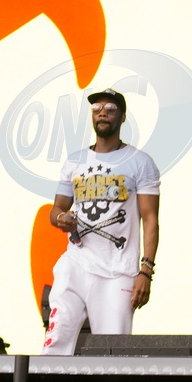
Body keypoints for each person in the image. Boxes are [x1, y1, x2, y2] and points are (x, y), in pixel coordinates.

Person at [42, 88, 160, 355]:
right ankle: (48, 381)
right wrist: (62, 218)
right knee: (56, 338)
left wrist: (146, 271)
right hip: (76, 262)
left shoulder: (140, 162)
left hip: (117, 270)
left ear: (123, 116)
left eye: (110, 109)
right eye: (97, 109)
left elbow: (150, 219)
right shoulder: (75, 161)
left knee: (112, 351)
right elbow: (57, 208)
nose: (103, 113)